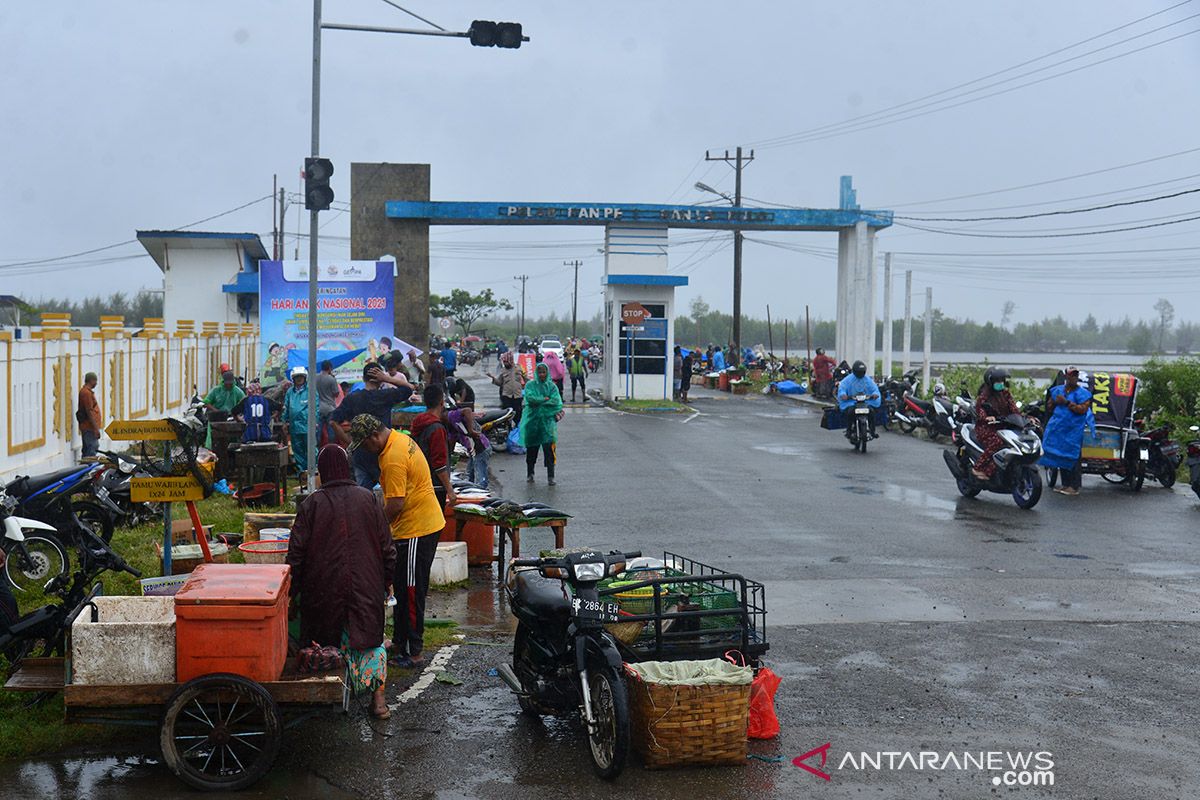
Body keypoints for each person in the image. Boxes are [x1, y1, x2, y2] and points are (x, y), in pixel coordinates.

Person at [287, 444, 396, 718]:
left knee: (325, 643)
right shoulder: (368, 498)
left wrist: (291, 590)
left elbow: (296, 553)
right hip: (366, 584)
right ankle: (378, 702)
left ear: (323, 473)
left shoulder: (311, 504)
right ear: (347, 468)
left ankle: (328, 697)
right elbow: (387, 546)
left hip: (323, 589)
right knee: (371, 641)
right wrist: (387, 580)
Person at [350, 414, 445, 670]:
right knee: (402, 588)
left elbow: (395, 504)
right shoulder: (400, 439)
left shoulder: (392, 457)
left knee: (412, 592)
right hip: (419, 524)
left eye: (364, 445)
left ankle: (414, 652)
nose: (365, 451)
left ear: (373, 436)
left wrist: (376, 529)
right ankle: (401, 641)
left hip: (417, 528)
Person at [332, 362, 417, 489]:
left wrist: (349, 442)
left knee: (363, 496)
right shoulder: (385, 396)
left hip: (361, 454)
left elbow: (333, 422)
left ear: (363, 378)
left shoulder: (352, 398)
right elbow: (409, 389)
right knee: (388, 493)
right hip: (383, 453)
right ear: (379, 379)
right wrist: (387, 378)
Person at [1040, 366, 1094, 496]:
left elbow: (1082, 409)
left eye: (1075, 375)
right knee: (1061, 456)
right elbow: (1049, 406)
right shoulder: (1058, 391)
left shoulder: (1083, 394)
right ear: (1066, 377)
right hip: (1059, 430)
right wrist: (1053, 402)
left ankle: (1074, 486)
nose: (1073, 378)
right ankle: (1065, 484)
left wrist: (1066, 403)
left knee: (1073, 458)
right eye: (1071, 375)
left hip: (1073, 432)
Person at [409, 384, 457, 509]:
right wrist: (450, 490)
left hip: (419, 482)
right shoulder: (436, 429)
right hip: (435, 487)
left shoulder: (418, 422)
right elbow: (439, 463)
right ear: (442, 402)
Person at [972, 367, 1021, 481]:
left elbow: (1014, 410)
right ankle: (978, 467)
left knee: (1011, 445)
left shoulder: (1006, 394)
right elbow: (980, 411)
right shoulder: (984, 396)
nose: (1000, 383)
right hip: (986, 428)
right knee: (998, 442)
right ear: (991, 382)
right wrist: (987, 418)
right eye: (997, 381)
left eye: (1002, 381)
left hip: (1003, 427)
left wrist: (1025, 418)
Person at [522, 362, 563, 484]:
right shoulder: (530, 385)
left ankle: (551, 476)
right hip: (532, 423)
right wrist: (544, 399)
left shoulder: (552, 386)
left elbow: (556, 401)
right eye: (539, 372)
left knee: (549, 451)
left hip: (547, 424)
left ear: (547, 372)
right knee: (531, 450)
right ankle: (530, 473)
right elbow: (530, 399)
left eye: (543, 372)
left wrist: (539, 402)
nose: (541, 374)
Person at [837, 360, 882, 438]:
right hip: (851, 402)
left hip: (865, 402)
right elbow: (842, 388)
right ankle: (849, 430)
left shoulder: (867, 380)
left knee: (871, 412)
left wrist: (875, 394)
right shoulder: (848, 380)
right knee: (850, 412)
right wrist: (843, 395)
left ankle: (872, 430)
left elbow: (874, 388)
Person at [448, 405, 490, 489]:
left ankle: (481, 497)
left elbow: (468, 410)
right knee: (469, 476)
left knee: (481, 481)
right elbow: (451, 442)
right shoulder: (450, 426)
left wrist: (470, 431)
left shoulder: (451, 415)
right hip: (472, 450)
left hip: (480, 448)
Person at [282, 366, 311, 475]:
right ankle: (302, 472)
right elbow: (286, 407)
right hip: (294, 427)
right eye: (297, 377)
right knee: (297, 450)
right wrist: (284, 422)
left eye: (301, 377)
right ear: (293, 379)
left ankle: (313, 471)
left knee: (311, 449)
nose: (299, 379)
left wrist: (315, 422)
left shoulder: (311, 391)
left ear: (305, 378)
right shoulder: (290, 392)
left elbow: (315, 407)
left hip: (308, 426)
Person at [488, 353, 526, 425]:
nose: (505, 363)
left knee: (518, 415)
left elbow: (526, 379)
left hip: (517, 396)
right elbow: (500, 383)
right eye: (504, 362)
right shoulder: (503, 371)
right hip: (506, 396)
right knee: (506, 416)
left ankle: (517, 431)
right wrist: (493, 378)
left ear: (510, 360)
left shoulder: (519, 368)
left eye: (506, 361)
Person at [77, 372, 102, 458]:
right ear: (91, 380)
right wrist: (95, 428)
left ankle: (85, 468)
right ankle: (88, 469)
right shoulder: (86, 393)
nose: (96, 383)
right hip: (89, 427)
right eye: (95, 380)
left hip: (88, 427)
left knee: (88, 449)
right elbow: (89, 411)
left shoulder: (86, 392)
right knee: (92, 449)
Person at [315, 360, 340, 447]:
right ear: (329, 368)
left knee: (317, 432)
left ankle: (316, 453)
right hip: (330, 408)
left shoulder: (314, 378)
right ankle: (331, 450)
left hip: (318, 408)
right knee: (331, 433)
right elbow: (336, 394)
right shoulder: (331, 379)